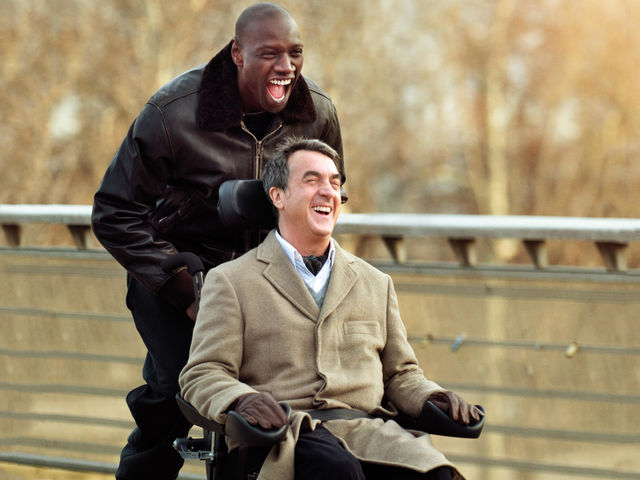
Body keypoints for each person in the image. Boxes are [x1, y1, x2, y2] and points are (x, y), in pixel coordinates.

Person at [91, 3, 345, 479]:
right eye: (269, 53)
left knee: (264, 404)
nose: (286, 66)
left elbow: (325, 201)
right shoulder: (172, 113)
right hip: (175, 275)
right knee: (175, 392)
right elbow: (114, 211)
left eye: (295, 53)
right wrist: (179, 285)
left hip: (266, 281)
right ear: (237, 54)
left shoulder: (317, 114)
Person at [179, 138, 483, 480]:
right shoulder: (231, 281)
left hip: (369, 434)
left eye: (334, 183)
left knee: (439, 474)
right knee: (336, 470)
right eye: (312, 180)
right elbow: (202, 372)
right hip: (283, 437)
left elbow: (400, 375)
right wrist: (240, 400)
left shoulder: (376, 283)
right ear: (277, 196)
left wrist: (432, 397)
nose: (328, 191)